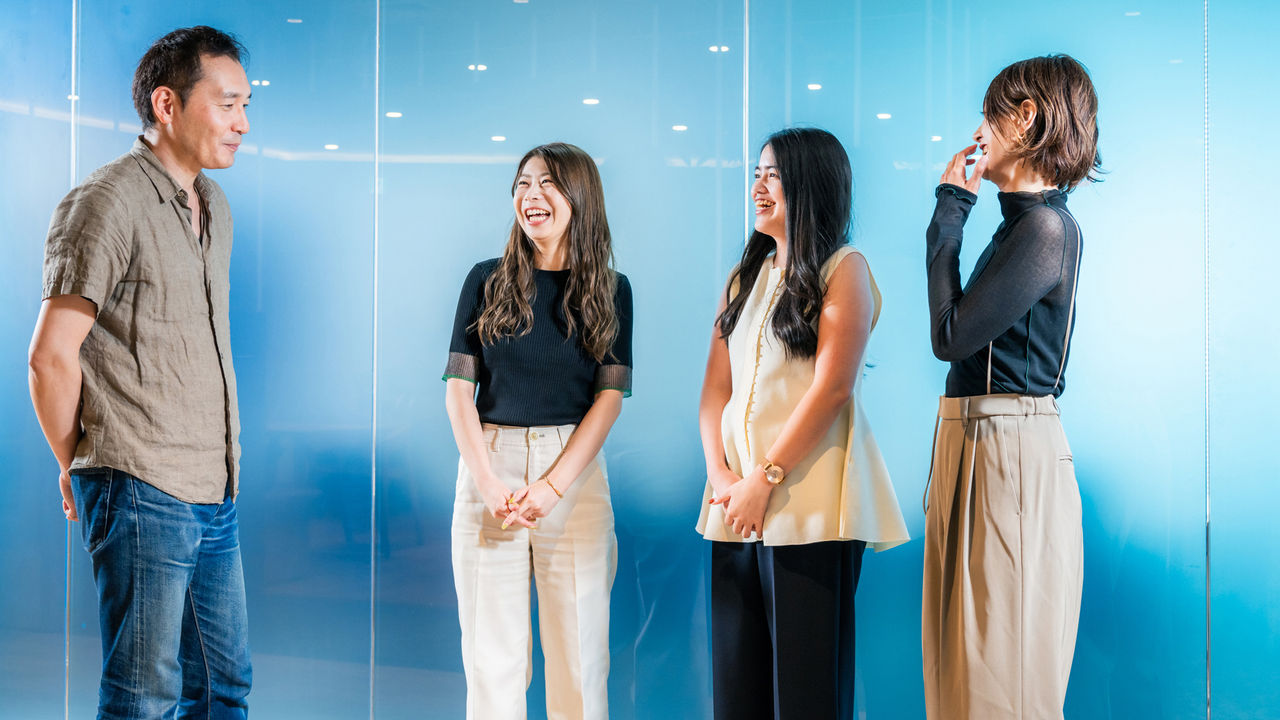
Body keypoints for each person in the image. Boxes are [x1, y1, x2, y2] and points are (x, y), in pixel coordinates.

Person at [27, 26, 253, 720]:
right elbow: (50, 356)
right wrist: (76, 462)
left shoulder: (214, 205)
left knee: (223, 688)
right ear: (167, 104)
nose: (242, 124)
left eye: (246, 106)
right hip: (139, 485)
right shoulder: (107, 201)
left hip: (214, 486)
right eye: (227, 105)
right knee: (142, 696)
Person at [695, 127, 909, 719]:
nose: (758, 187)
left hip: (809, 508)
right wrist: (722, 477)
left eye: (774, 175)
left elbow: (832, 389)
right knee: (737, 694)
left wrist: (764, 478)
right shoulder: (742, 279)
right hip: (734, 507)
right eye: (757, 174)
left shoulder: (844, 268)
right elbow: (714, 392)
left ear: (811, 185)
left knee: (806, 696)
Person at [921, 54, 1101, 720]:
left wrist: (948, 213)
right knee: (962, 671)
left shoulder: (1046, 228)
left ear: (1026, 117)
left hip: (1007, 448)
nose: (978, 132)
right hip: (979, 441)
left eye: (988, 116)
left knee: (1003, 675)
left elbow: (950, 336)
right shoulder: (1023, 225)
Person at [443, 142, 633, 720]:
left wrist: (551, 486)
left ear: (580, 195)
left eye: (548, 182)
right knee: (491, 663)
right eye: (523, 182)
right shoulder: (485, 280)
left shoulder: (613, 289)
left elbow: (608, 399)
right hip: (489, 465)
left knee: (580, 661)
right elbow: (458, 391)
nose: (532, 194)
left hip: (572, 473)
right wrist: (487, 482)